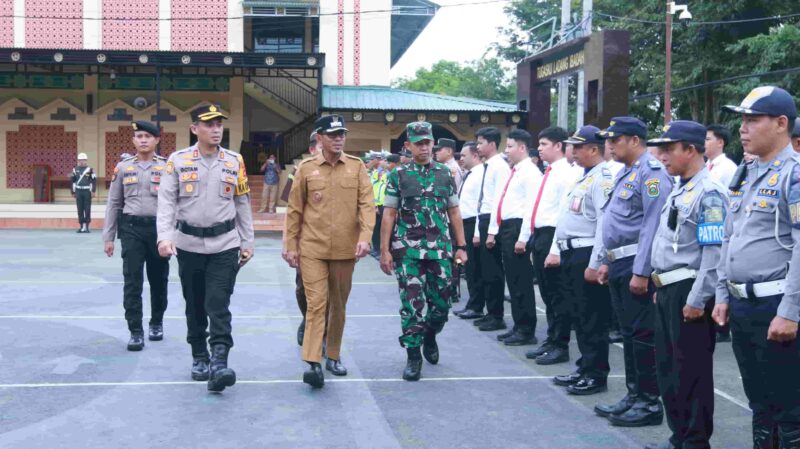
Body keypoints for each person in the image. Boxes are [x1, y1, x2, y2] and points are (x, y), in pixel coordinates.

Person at [713, 86, 800, 449]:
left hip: (776, 305)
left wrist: (791, 311)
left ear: (781, 124)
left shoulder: (793, 175)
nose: (743, 129)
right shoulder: (746, 173)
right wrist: (721, 293)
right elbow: (728, 236)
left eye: (752, 120)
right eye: (742, 120)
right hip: (743, 304)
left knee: (789, 405)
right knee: (759, 401)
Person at [157, 104, 255, 393]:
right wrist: (165, 236)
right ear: (194, 128)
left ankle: (220, 362)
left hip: (225, 244)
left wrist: (247, 241)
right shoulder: (178, 160)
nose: (215, 129)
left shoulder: (234, 161)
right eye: (209, 124)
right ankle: (200, 355)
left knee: (218, 303)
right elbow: (166, 202)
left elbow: (242, 203)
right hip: (188, 245)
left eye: (219, 124)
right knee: (195, 303)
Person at [647, 121, 727, 449]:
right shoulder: (682, 187)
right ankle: (678, 436)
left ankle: (694, 441)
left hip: (689, 291)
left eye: (669, 149)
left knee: (690, 373)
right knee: (668, 370)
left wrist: (697, 298)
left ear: (691, 150)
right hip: (669, 289)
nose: (662, 156)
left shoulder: (709, 193)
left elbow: (713, 251)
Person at [594, 116, 674, 427]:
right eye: (609, 140)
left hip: (635, 264)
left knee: (642, 335)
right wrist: (605, 260)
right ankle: (634, 394)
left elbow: (653, 226)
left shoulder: (651, 174)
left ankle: (649, 402)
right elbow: (615, 223)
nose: (610, 145)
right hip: (619, 262)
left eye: (616, 140)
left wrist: (641, 272)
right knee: (629, 333)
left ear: (635, 141)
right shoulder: (627, 173)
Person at [285, 114, 374, 389]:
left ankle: (333, 355)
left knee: (338, 306)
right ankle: (312, 362)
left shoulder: (357, 167)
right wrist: (290, 244)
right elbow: (295, 210)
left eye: (342, 134)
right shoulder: (306, 168)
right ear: (319, 138)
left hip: (346, 249)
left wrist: (365, 237)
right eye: (333, 135)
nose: (339, 139)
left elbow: (367, 206)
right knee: (316, 304)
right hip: (312, 247)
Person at [379, 121, 468, 381]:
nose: (425, 147)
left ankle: (431, 333)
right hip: (408, 251)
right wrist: (384, 250)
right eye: (419, 143)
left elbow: (454, 211)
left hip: (440, 250)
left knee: (442, 303)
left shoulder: (444, 173)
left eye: (428, 142)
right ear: (408, 145)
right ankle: (413, 355)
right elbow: (389, 214)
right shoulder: (399, 175)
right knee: (412, 306)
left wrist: (461, 246)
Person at [550, 126, 614, 396]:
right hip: (571, 252)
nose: (572, 151)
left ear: (593, 149)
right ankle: (584, 367)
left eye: (577, 147)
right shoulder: (583, 176)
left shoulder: (602, 178)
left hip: (585, 252)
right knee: (578, 313)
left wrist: (596, 261)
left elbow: (604, 223)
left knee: (591, 316)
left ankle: (596, 374)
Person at [102, 121, 170, 351]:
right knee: (132, 281)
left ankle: (156, 322)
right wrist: (108, 236)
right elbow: (114, 203)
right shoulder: (123, 168)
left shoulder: (167, 167)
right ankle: (135, 331)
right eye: (139, 136)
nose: (143, 140)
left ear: (157, 140)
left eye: (148, 136)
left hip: (158, 231)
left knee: (159, 279)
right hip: (131, 229)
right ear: (133, 140)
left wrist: (172, 235)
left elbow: (175, 203)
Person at [525, 126, 580, 365]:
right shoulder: (547, 172)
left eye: (545, 144)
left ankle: (560, 344)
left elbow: (563, 214)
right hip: (541, 234)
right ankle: (551, 339)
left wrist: (555, 249)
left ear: (559, 146)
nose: (539, 148)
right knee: (547, 293)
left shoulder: (566, 174)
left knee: (558, 294)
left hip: (553, 235)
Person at [487, 129, 542, 346]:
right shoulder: (516, 171)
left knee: (521, 282)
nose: (506, 151)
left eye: (510, 146)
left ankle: (526, 329)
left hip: (519, 228)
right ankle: (519, 325)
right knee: (513, 281)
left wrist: (523, 237)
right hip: (508, 227)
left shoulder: (530, 172)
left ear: (522, 147)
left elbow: (531, 207)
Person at [281, 132, 321, 346]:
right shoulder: (300, 170)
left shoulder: (347, 169)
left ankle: (323, 336)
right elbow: (291, 209)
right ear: (313, 148)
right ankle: (307, 318)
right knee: (302, 289)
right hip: (306, 240)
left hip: (333, 241)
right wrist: (288, 241)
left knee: (330, 293)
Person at [471, 127, 511, 332]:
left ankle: (496, 315)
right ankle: (490, 312)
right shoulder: (489, 165)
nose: (477, 146)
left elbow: (498, 199)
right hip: (485, 218)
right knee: (486, 270)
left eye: (480, 142)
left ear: (492, 144)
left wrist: (492, 230)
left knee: (494, 271)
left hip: (493, 219)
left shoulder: (500, 167)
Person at [452, 142, 486, 320]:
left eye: (464, 155)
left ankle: (476, 305)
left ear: (475, 156)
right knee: (467, 265)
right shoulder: (469, 174)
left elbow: (481, 203)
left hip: (473, 223)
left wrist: (477, 233)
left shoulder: (481, 174)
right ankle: (473, 303)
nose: (461, 159)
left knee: (474, 267)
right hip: (463, 223)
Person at [71, 152, 97, 233]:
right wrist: (73, 192)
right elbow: (72, 181)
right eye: (80, 160)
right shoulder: (75, 170)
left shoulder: (90, 170)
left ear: (86, 160)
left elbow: (94, 181)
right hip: (78, 191)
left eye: (83, 160)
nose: (82, 161)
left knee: (87, 208)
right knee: (80, 209)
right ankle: (81, 226)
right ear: (78, 161)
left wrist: (93, 191)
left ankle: (87, 227)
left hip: (87, 192)